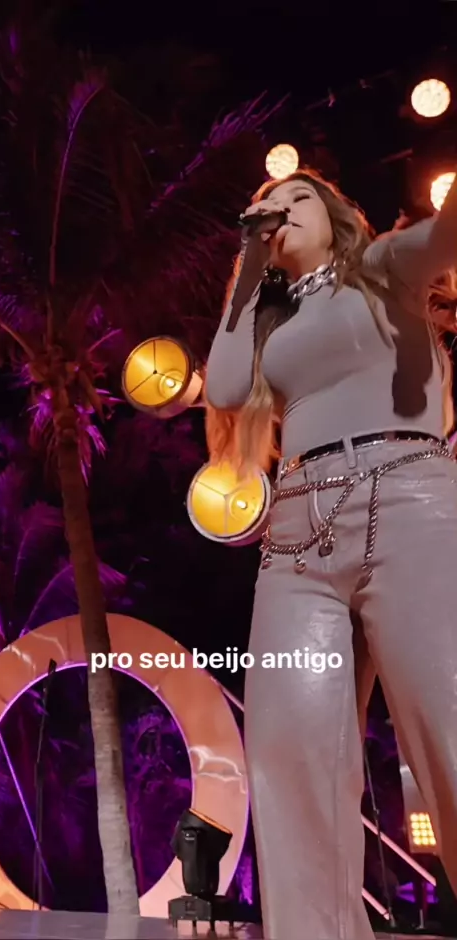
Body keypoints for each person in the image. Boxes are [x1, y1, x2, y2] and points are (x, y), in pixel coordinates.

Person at [203, 168, 457, 940]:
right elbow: (224, 385)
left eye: (298, 197)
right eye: (267, 203)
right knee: (293, 760)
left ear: (339, 213)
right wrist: (249, 267)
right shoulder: (270, 319)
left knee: (450, 725)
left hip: (409, 498)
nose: (279, 208)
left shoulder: (381, 267)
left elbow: (446, 233)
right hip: (297, 532)